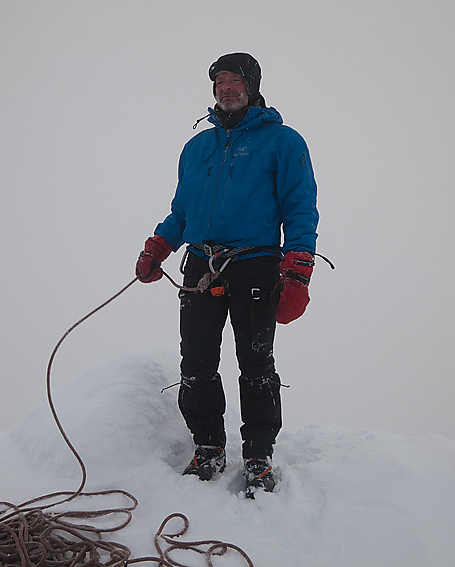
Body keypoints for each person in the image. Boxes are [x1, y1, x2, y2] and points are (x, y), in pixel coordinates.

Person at [135, 52, 319, 497]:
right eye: (220, 81)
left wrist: (297, 272)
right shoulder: (197, 148)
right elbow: (182, 210)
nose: (227, 87)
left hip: (255, 263)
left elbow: (300, 208)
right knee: (196, 363)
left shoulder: (284, 142)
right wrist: (159, 246)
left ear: (252, 86)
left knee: (256, 362)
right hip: (201, 264)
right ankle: (208, 447)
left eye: (236, 80)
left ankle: (258, 455)